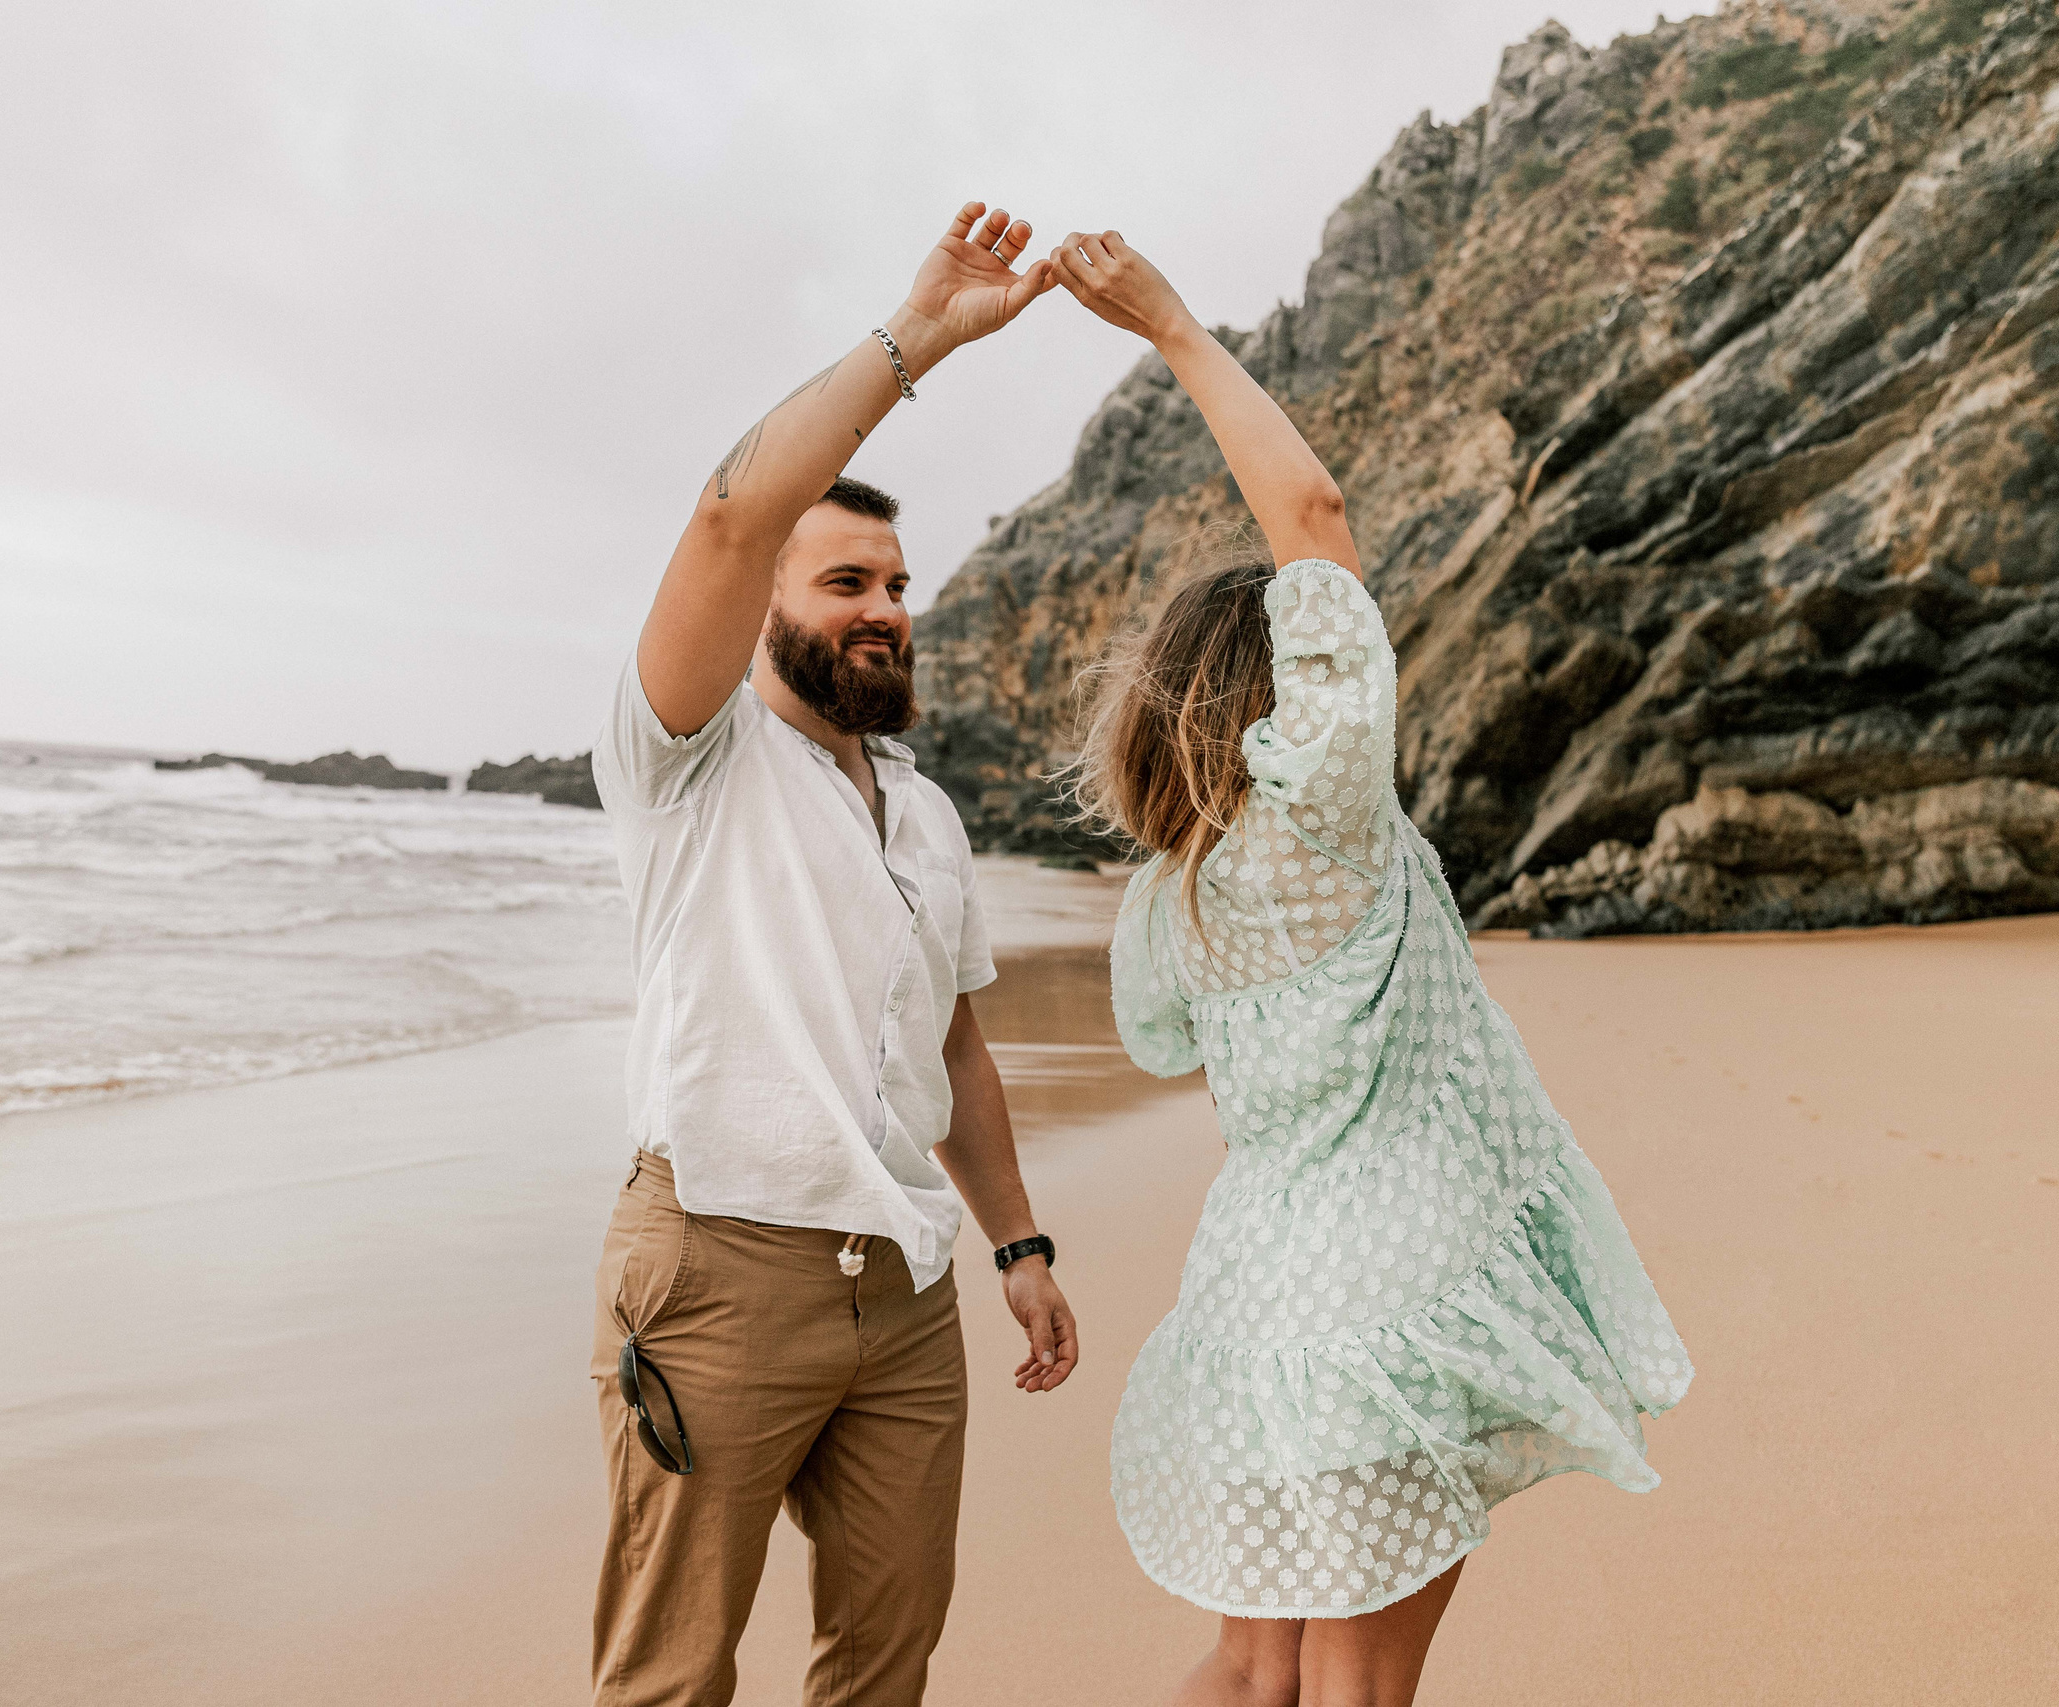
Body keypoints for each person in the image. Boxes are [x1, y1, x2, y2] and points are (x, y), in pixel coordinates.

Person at [1051, 230, 1695, 1707]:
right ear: (1285, 700)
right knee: (1356, 1687)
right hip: (1388, 1300)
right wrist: (1171, 325)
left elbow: (1170, 1051)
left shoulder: (1167, 903)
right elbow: (1313, 513)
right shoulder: (1326, 825)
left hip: (1251, 1307)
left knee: (1251, 1669)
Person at [587, 201, 1079, 1707]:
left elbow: (955, 1044)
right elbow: (730, 519)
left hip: (907, 1286)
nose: (883, 612)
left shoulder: (925, 811)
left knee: (887, 1662)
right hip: (719, 1264)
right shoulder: (690, 757)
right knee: (671, 1679)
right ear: (763, 610)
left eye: (897, 586)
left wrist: (1019, 1246)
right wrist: (916, 339)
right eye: (845, 583)